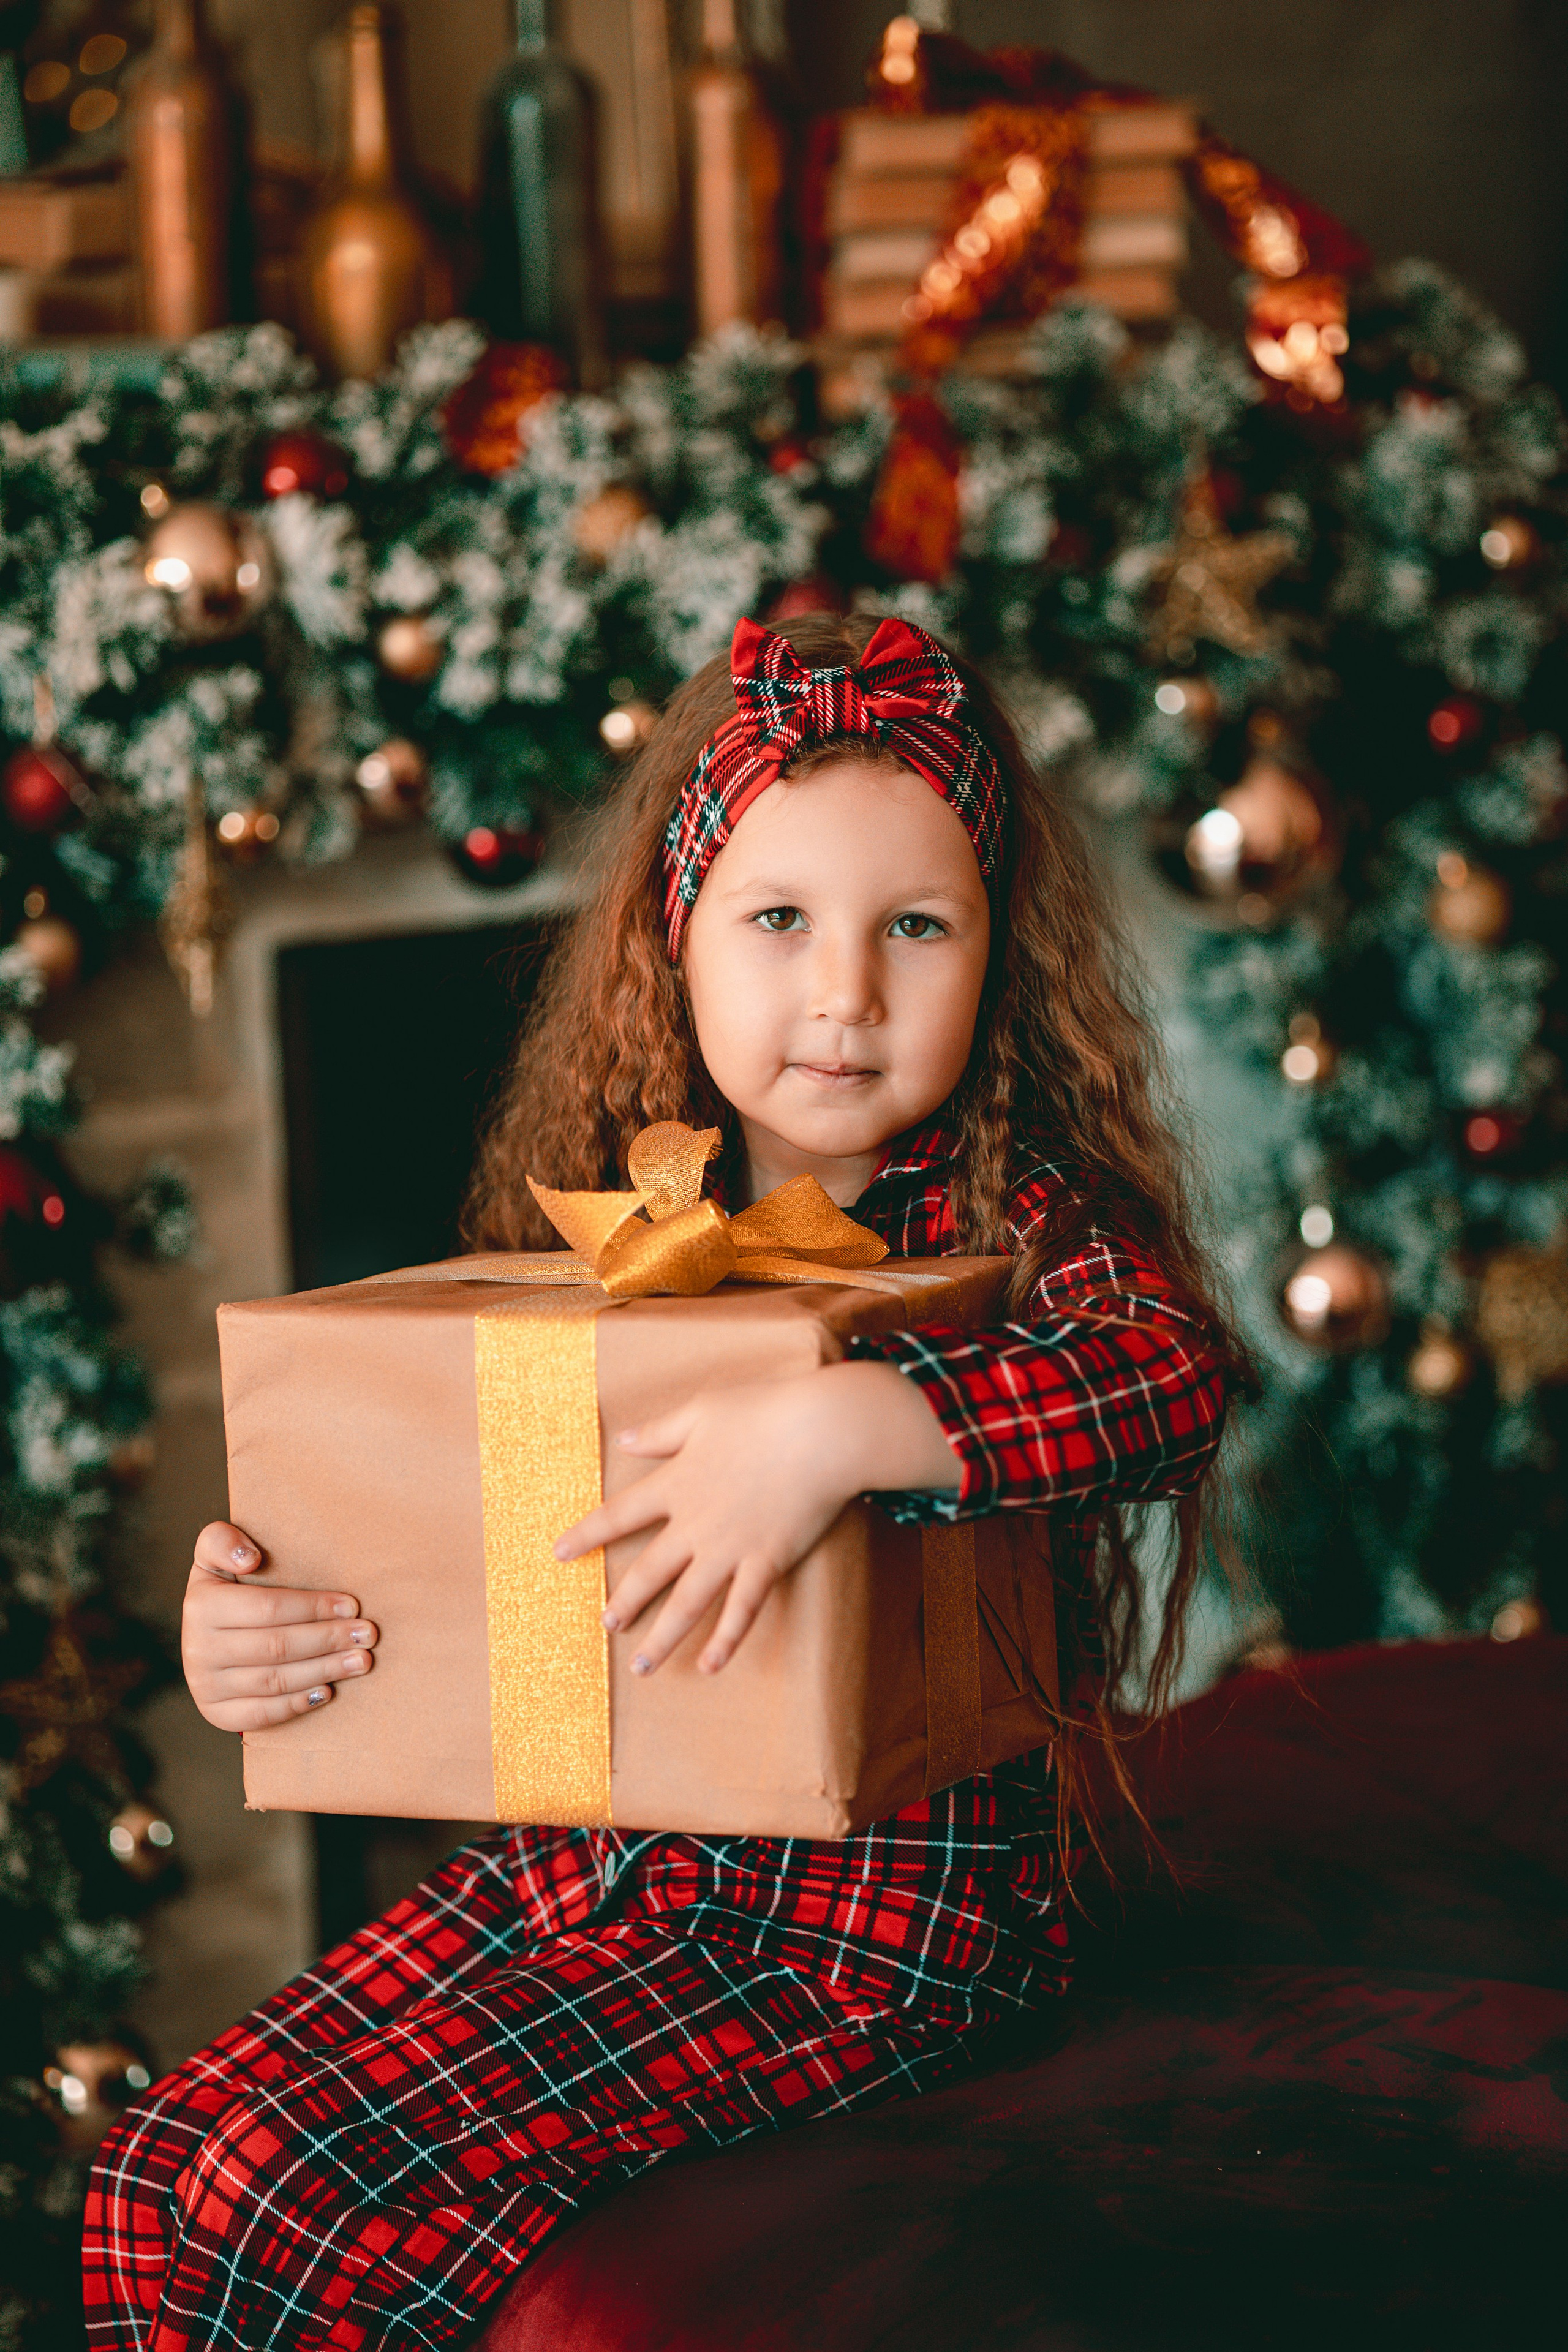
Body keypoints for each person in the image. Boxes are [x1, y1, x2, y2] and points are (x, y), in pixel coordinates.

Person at [83, 613, 1246, 2350]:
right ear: (676, 941)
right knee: (161, 2163)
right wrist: (253, 1628)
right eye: (778, 920)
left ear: (996, 958)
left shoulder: (1020, 1217)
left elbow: (1167, 1376)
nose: (843, 990)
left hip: (873, 1932)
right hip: (592, 1874)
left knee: (298, 2184)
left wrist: (859, 1427)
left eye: (914, 927)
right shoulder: (624, 1218)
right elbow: (457, 1535)